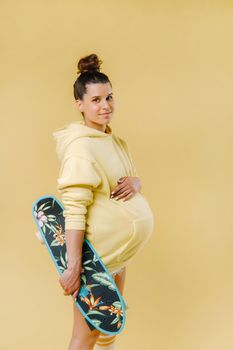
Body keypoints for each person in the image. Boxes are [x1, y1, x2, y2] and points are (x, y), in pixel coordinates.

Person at [52, 53, 154, 350]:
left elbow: (122, 182)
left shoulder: (112, 140)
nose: (105, 105)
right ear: (79, 105)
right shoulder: (81, 148)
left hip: (118, 257)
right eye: (95, 100)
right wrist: (73, 267)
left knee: (108, 328)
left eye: (109, 97)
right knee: (84, 335)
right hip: (96, 259)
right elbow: (74, 208)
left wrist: (137, 182)